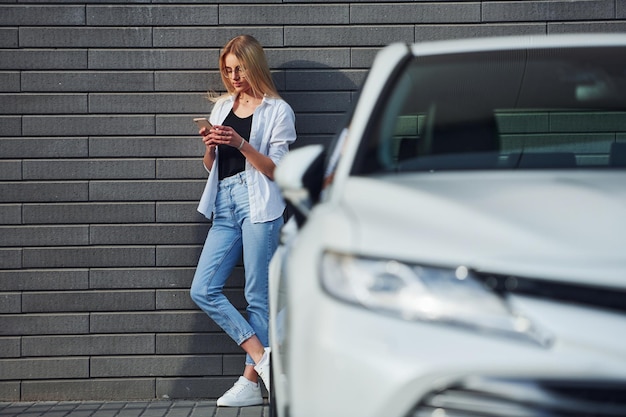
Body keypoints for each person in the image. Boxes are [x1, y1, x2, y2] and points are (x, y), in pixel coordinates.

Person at [190, 35, 297, 407]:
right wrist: (211, 145)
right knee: (203, 289)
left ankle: (251, 383)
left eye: (240, 68)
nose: (234, 76)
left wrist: (240, 143)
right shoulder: (222, 107)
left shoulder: (277, 111)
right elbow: (211, 167)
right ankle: (264, 359)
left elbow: (278, 171)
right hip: (225, 203)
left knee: (258, 298)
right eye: (228, 69)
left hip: (260, 206)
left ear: (255, 66)